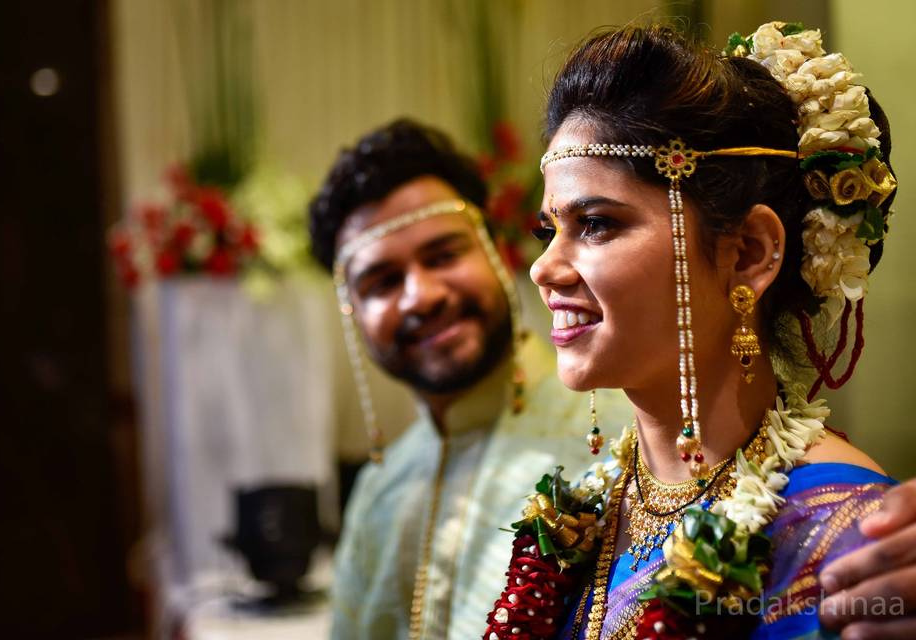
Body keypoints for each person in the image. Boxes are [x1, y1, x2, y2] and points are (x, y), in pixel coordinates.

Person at [483, 22, 915, 640]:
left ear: (746, 253)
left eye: (597, 224)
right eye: (547, 229)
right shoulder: (586, 520)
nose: (544, 267)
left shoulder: (853, 542)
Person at [309, 119, 634, 640]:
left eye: (443, 256)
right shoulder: (379, 489)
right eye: (383, 281)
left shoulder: (622, 435)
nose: (422, 296)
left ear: (496, 253)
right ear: (353, 315)